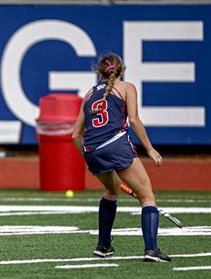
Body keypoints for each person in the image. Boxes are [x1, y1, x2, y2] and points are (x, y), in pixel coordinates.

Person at [72, 53, 171, 262]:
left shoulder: (89, 94)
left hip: (92, 150)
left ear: (98, 73)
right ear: (122, 70)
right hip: (116, 145)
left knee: (111, 190)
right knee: (147, 197)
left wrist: (89, 157)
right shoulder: (127, 88)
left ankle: (103, 245)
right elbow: (133, 120)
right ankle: (151, 249)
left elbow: (75, 135)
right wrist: (150, 149)